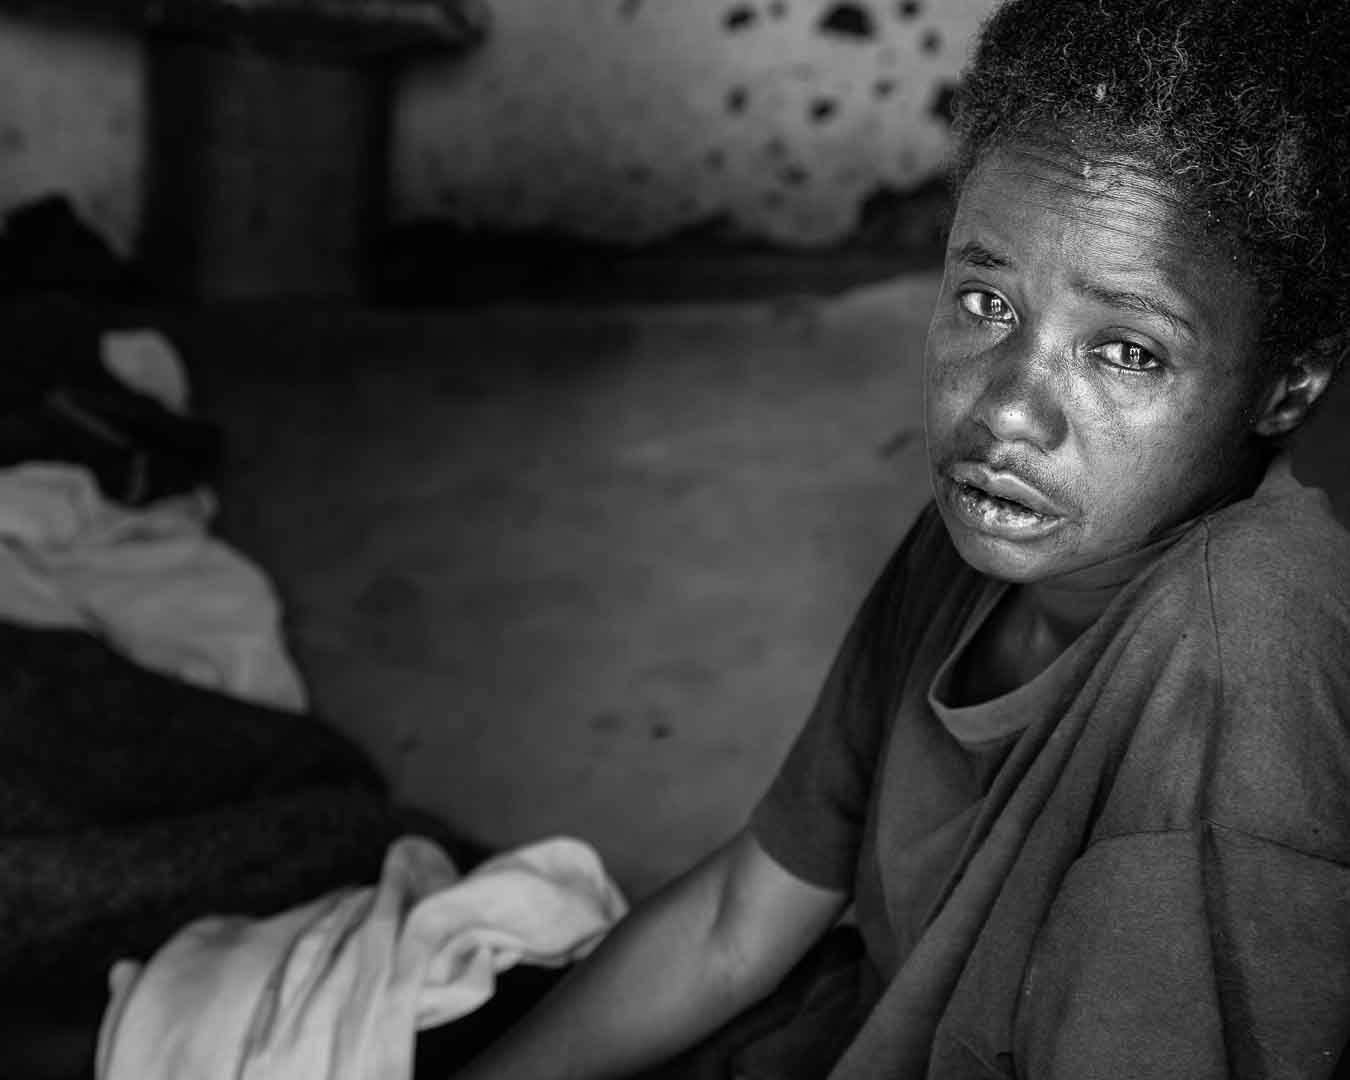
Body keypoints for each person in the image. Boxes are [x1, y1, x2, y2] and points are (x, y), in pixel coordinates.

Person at [453, 0, 1350, 1075]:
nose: (1006, 413)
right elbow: (738, 925)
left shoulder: (1243, 661)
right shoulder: (989, 531)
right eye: (986, 302)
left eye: (1126, 352)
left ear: (1287, 386)